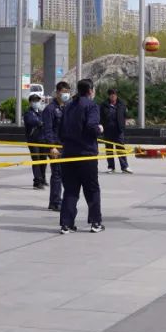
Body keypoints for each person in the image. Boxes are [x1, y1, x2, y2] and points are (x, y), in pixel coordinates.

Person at [58, 79, 104, 234]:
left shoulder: (68, 106)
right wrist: (99, 129)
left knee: (70, 190)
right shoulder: (91, 106)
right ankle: (95, 222)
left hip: (68, 154)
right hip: (86, 155)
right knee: (92, 189)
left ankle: (66, 223)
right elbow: (91, 126)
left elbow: (61, 130)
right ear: (90, 90)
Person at [42, 81, 70, 212]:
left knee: (64, 174)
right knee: (57, 173)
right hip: (55, 146)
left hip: (66, 146)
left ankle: (59, 199)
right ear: (58, 92)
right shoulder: (50, 109)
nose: (66, 94)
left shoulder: (67, 107)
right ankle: (55, 201)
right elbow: (47, 130)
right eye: (64, 92)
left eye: (68, 92)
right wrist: (51, 146)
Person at [100, 88, 131, 174]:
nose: (113, 96)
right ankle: (111, 167)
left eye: (114, 94)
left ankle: (124, 167)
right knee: (109, 149)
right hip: (108, 130)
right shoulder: (104, 105)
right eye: (111, 94)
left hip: (118, 130)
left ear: (117, 95)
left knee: (120, 148)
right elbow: (101, 117)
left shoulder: (122, 104)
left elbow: (125, 115)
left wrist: (124, 123)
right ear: (109, 96)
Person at [23, 93, 47, 190]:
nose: (36, 102)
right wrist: (39, 122)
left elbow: (46, 122)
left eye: (38, 101)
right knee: (36, 159)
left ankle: (42, 178)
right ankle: (37, 181)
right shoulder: (28, 113)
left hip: (43, 139)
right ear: (30, 103)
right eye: (34, 101)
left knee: (43, 159)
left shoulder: (41, 113)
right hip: (33, 140)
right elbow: (31, 121)